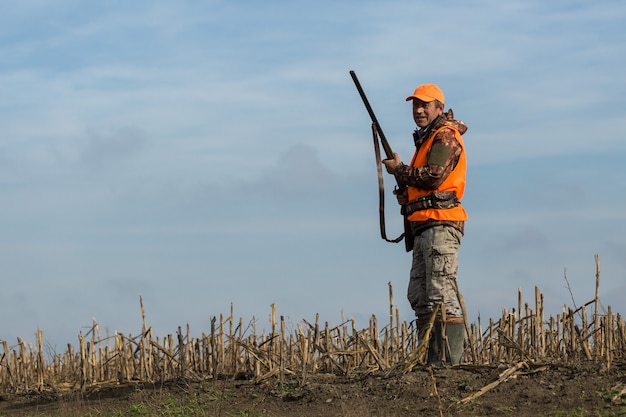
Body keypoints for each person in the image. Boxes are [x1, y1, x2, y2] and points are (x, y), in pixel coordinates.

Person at [382, 83, 468, 366]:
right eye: (415, 105)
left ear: (439, 109)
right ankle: (429, 361)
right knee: (420, 295)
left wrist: (400, 171)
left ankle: (448, 364)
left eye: (425, 105)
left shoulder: (444, 136)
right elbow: (424, 186)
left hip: (440, 224)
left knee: (440, 293)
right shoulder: (427, 139)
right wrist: (406, 193)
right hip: (423, 226)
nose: (419, 110)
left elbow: (432, 177)